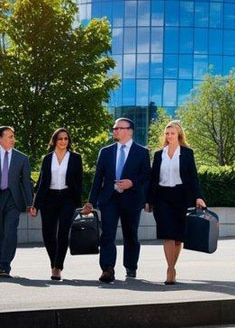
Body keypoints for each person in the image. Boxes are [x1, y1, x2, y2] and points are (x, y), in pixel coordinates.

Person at [82, 118, 151, 283]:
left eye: (119, 128)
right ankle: (107, 269)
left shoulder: (142, 152)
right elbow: (98, 178)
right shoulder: (105, 151)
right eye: (114, 128)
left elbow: (147, 177)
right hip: (109, 199)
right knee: (107, 235)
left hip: (132, 199)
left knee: (131, 235)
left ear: (130, 131)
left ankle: (131, 267)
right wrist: (91, 201)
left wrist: (131, 183)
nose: (115, 131)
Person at [147, 120, 205, 285]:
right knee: (167, 235)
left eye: (172, 133)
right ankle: (170, 269)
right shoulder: (159, 154)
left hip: (181, 196)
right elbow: (153, 179)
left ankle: (173, 265)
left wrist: (198, 196)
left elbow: (193, 177)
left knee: (178, 237)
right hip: (162, 197)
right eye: (167, 133)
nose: (169, 136)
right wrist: (149, 200)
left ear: (178, 134)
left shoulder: (187, 153)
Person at [28, 128, 83, 280]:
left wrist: (79, 204)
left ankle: (57, 267)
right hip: (49, 199)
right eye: (60, 139)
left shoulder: (75, 158)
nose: (63, 141)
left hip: (67, 198)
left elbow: (79, 182)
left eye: (66, 139)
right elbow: (41, 182)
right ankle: (53, 262)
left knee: (63, 232)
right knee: (48, 233)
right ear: (54, 141)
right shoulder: (47, 158)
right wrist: (35, 205)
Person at [0, 126, 32, 277]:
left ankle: (5, 265)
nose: (13, 139)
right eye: (9, 136)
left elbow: (26, 182)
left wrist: (30, 204)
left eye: (13, 136)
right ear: (0, 138)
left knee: (10, 231)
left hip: (13, 199)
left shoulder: (22, 158)